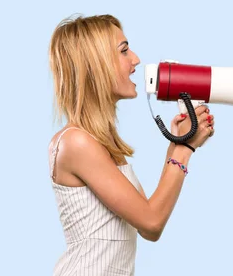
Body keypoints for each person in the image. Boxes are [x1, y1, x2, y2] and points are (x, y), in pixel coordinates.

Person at [47, 14, 215, 276]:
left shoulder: (99, 142)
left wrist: (177, 144)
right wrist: (185, 150)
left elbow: (146, 216)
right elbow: (151, 224)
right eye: (124, 51)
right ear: (97, 64)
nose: (135, 59)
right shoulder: (76, 142)